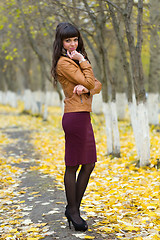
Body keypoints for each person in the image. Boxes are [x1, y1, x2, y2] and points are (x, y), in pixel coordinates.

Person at [51, 22, 102, 231]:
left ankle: (73, 209)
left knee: (89, 164)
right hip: (74, 117)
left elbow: (97, 85)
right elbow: (91, 82)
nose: (72, 44)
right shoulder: (65, 63)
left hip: (83, 117)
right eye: (68, 40)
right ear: (61, 42)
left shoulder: (75, 62)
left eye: (75, 40)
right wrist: (83, 62)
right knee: (73, 165)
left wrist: (86, 88)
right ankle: (73, 211)